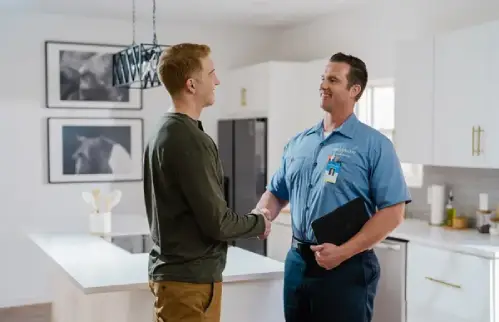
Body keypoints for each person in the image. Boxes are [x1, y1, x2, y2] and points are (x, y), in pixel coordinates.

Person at [254, 52, 411, 322]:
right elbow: (276, 192)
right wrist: (262, 214)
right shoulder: (299, 142)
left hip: (347, 267)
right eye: (323, 78)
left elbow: (393, 213)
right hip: (297, 263)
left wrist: (343, 252)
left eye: (333, 79)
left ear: (354, 90)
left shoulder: (375, 145)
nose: (323, 85)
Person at [143, 43, 272, 322]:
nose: (217, 80)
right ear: (192, 84)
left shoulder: (162, 131)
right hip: (189, 284)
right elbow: (218, 223)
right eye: (211, 73)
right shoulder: (190, 140)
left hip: (175, 278)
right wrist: (259, 222)